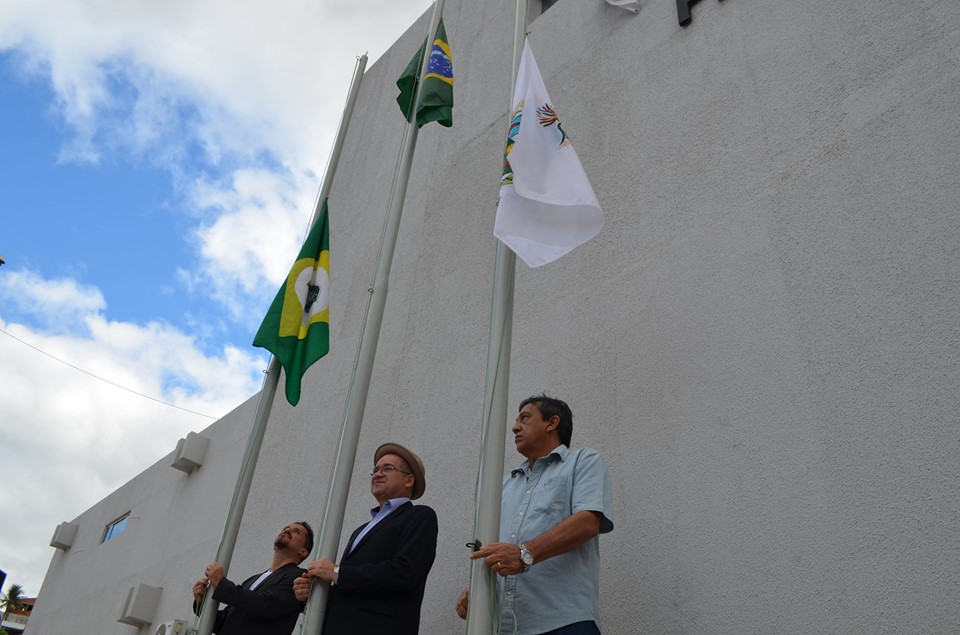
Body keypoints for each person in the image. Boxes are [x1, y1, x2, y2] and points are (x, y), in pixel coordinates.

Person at [457, 394, 614, 634]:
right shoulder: (503, 485)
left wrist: (524, 554)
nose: (514, 427)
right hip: (506, 628)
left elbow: (587, 523)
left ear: (552, 422)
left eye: (525, 418)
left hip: (564, 622)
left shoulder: (583, 461)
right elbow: (494, 549)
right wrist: (479, 589)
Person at [294, 442, 438, 634]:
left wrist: (337, 573)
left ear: (409, 480)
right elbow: (350, 591)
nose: (378, 474)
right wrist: (314, 596)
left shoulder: (419, 516)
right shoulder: (360, 530)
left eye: (387, 468)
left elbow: (404, 572)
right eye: (375, 470)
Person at [191, 521, 313, 635]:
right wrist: (202, 603)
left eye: (296, 531)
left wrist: (221, 584)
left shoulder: (299, 576)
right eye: (286, 528)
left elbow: (267, 606)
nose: (287, 530)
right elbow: (223, 623)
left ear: (303, 551)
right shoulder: (253, 579)